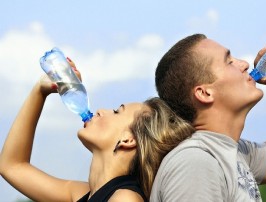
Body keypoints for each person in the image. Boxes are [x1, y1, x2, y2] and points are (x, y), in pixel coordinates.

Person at [150, 33, 266, 201]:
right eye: (229, 61)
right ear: (205, 93)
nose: (245, 64)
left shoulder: (235, 153)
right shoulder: (196, 163)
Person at [0, 58, 194, 202]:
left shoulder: (125, 199)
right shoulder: (83, 195)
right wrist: (40, 91)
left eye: (117, 111)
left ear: (128, 139)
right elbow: (11, 166)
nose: (101, 111)